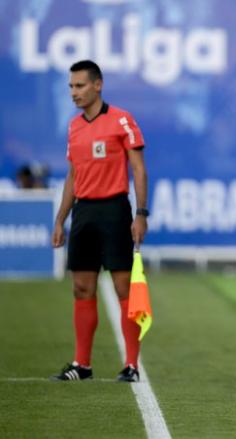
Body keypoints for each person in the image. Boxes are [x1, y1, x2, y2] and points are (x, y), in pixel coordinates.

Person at [50, 60, 148, 382]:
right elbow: (72, 175)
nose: (73, 92)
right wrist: (61, 219)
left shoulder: (122, 119)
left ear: (97, 85)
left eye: (79, 86)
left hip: (114, 211)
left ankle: (131, 365)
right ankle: (83, 365)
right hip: (84, 214)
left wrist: (141, 213)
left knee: (123, 288)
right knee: (81, 287)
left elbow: (138, 169)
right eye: (70, 87)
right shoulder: (74, 126)